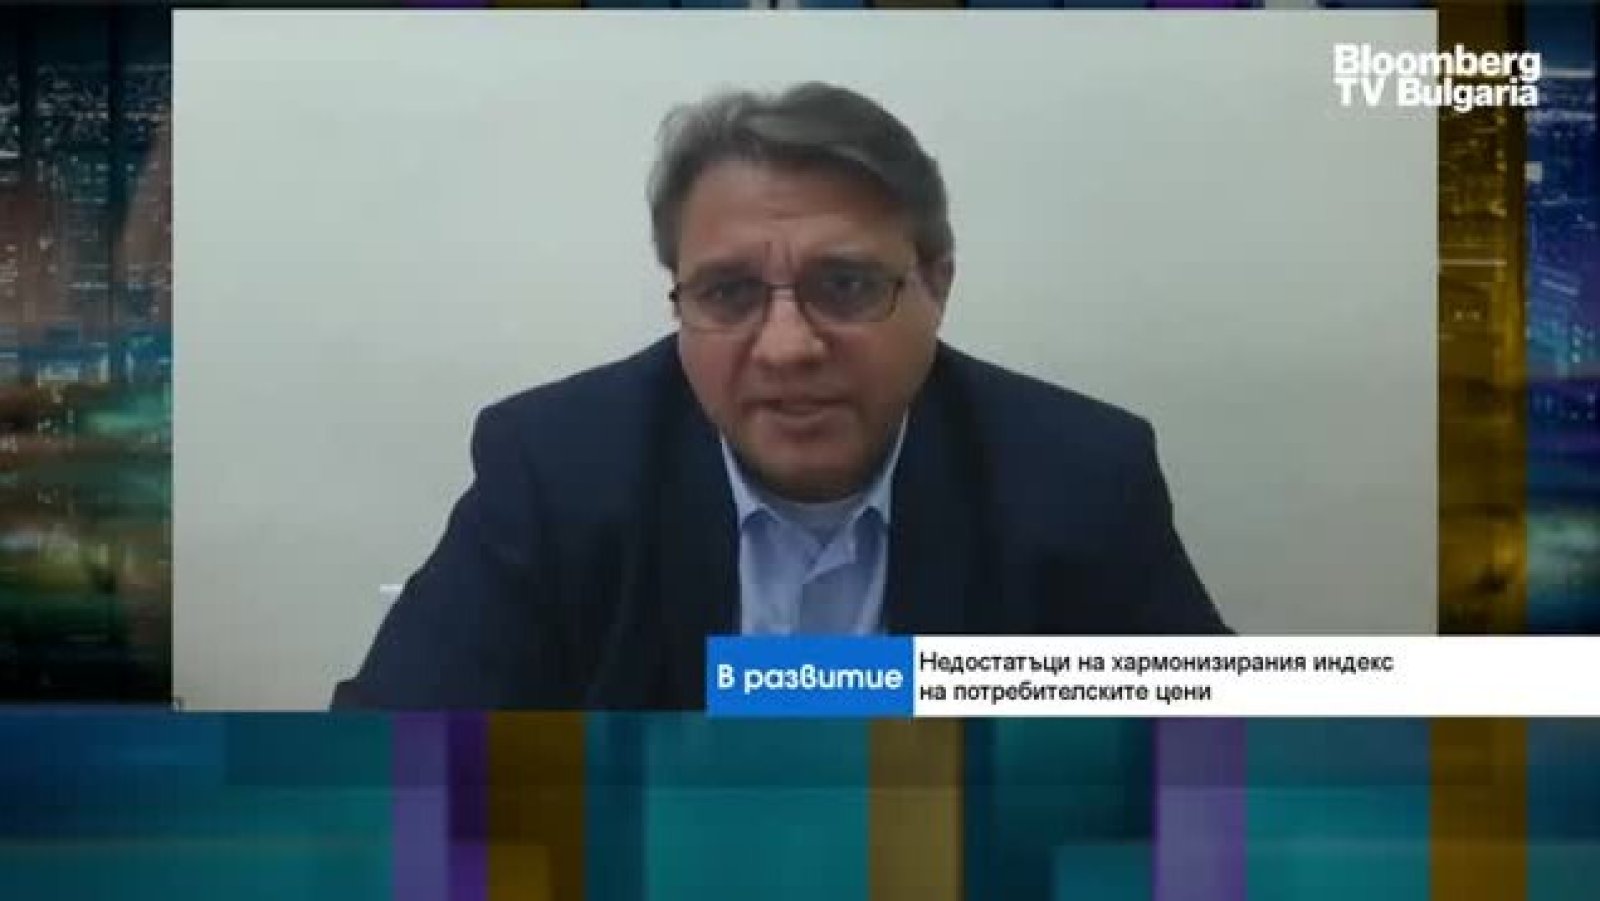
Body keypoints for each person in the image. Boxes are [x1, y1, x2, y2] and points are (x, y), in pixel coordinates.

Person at [333, 81, 1228, 711]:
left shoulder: (1079, 477)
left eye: (847, 286)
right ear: (679, 300)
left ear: (938, 285)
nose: (789, 347)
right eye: (728, 293)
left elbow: (1229, 773)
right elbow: (381, 774)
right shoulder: (557, 470)